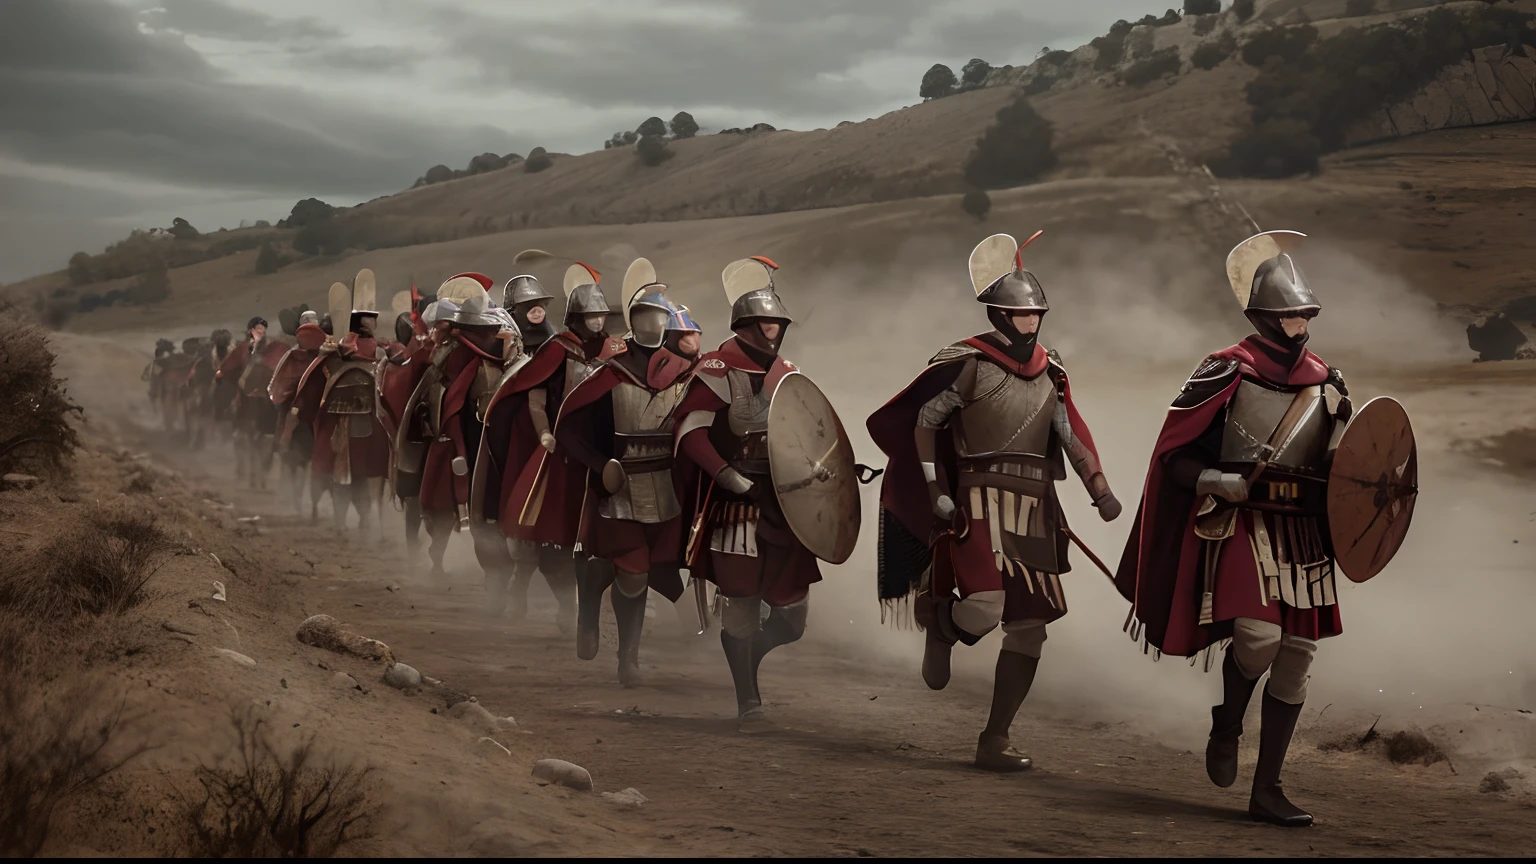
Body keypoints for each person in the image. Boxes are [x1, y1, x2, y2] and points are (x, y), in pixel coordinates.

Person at [1114, 230, 1351, 827]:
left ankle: (1267, 789)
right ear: (1263, 317)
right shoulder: (1225, 369)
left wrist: (1349, 437)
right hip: (1243, 523)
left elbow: (1349, 466)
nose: (1299, 324)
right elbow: (1173, 454)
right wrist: (1216, 482)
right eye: (1288, 315)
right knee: (1258, 638)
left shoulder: (1329, 382)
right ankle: (1228, 722)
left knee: (1297, 654)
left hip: (1304, 529)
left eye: (1305, 314)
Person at [868, 231, 1121, 771]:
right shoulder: (968, 361)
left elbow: (1069, 431)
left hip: (1035, 503)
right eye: (1020, 315)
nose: (1030, 324)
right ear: (999, 315)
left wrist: (1098, 487)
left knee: (1030, 627)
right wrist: (936, 489)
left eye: (1036, 316)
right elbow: (924, 421)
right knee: (984, 606)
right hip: (978, 498)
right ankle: (941, 621)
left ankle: (996, 739)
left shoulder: (1053, 371)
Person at [671, 256, 822, 732]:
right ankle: (747, 698)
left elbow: (806, 431)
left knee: (792, 617)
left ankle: (748, 656)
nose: (772, 330)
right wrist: (724, 474)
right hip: (736, 506)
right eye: (764, 323)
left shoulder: (789, 372)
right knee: (740, 602)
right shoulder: (718, 368)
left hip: (784, 502)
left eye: (778, 322)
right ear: (744, 325)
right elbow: (690, 433)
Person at [555, 259, 703, 684]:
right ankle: (626, 657)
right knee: (633, 573)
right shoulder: (609, 374)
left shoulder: (681, 373)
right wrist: (601, 467)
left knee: (646, 569)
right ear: (632, 322)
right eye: (644, 316)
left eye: (659, 316)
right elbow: (570, 427)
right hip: (618, 489)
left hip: (667, 490)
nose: (653, 324)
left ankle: (619, 640)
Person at [485, 261, 619, 631]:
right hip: (552, 450)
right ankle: (530, 592)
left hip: (596, 450)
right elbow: (534, 398)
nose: (596, 322)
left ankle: (582, 602)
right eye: (590, 316)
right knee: (542, 528)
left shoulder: (611, 350)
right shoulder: (557, 349)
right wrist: (544, 434)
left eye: (601, 315)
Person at [409, 275, 523, 587]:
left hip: (502, 437)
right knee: (464, 505)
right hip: (461, 438)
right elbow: (436, 399)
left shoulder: (507, 346)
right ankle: (487, 573)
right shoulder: (448, 354)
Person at [290, 272, 391, 534]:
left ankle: (367, 522)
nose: (371, 323)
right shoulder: (333, 353)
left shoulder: (381, 352)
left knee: (363, 474)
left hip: (369, 419)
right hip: (338, 422)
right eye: (366, 320)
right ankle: (340, 522)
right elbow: (312, 387)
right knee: (340, 475)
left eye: (373, 319)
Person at [217, 316, 289, 489]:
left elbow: (227, 370)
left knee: (263, 435)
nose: (261, 331)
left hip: (262, 398)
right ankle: (254, 473)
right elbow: (228, 368)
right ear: (251, 330)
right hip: (250, 398)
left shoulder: (272, 348)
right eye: (258, 329)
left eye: (262, 329)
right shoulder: (244, 349)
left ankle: (259, 472)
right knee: (249, 437)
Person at [270, 311, 326, 513]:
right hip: (297, 417)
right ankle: (297, 501)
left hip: (319, 414)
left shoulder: (326, 354)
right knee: (298, 461)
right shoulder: (292, 356)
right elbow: (280, 384)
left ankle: (313, 503)